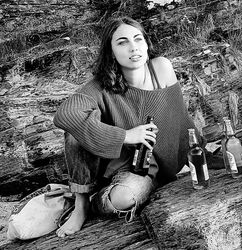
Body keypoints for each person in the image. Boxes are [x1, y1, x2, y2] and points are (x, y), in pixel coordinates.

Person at [53, 16, 204, 238]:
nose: (133, 47)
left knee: (129, 196)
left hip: (154, 165)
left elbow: (180, 119)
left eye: (138, 39)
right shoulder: (100, 86)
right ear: (111, 52)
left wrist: (199, 153)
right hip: (121, 164)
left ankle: (109, 196)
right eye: (122, 42)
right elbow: (64, 114)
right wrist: (125, 136)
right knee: (75, 130)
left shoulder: (161, 68)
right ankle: (82, 202)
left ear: (146, 43)